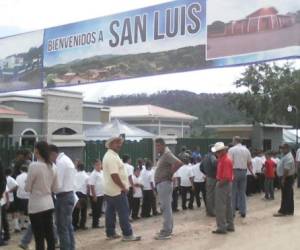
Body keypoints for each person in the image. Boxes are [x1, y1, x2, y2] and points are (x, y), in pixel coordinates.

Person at [102, 136, 141, 241]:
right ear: (110, 144)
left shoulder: (111, 155)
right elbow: (114, 175)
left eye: (120, 143)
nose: (119, 145)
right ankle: (127, 234)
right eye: (116, 143)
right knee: (124, 212)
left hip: (110, 190)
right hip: (117, 190)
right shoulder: (111, 157)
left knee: (110, 212)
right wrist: (123, 187)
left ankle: (110, 233)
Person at [25, 141, 59, 250]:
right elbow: (56, 188)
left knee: (39, 237)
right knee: (49, 235)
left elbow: (27, 188)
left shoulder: (34, 166)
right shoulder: (52, 166)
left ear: (36, 150)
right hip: (49, 203)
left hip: (36, 205)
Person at [154, 138, 183, 240]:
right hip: (162, 184)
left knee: (166, 208)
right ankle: (167, 229)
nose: (156, 148)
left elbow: (179, 163)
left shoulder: (166, 154)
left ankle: (166, 231)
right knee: (166, 208)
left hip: (164, 183)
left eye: (158, 146)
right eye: (156, 146)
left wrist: (170, 173)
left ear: (162, 145)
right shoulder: (163, 155)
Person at [49, 144, 76, 250]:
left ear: (53, 154)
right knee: (68, 226)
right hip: (68, 195)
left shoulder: (60, 163)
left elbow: (57, 184)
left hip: (63, 196)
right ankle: (71, 247)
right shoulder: (66, 159)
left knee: (62, 227)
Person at [211, 142, 234, 234]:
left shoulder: (225, 160)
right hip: (226, 184)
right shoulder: (223, 159)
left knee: (220, 207)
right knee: (228, 206)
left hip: (223, 184)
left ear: (222, 151)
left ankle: (222, 227)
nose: (216, 153)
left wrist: (219, 184)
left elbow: (226, 177)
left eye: (217, 152)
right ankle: (229, 225)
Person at [228, 136, 254, 218]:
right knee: (242, 192)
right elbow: (249, 163)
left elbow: (229, 162)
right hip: (243, 172)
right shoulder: (246, 150)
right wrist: (252, 172)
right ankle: (243, 211)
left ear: (235, 141)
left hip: (234, 171)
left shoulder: (231, 150)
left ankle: (232, 212)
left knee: (233, 192)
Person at [274, 144, 296, 217]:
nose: (281, 150)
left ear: (287, 148)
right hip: (287, 177)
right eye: (281, 148)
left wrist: (283, 179)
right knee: (288, 194)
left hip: (287, 178)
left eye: (283, 148)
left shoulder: (288, 157)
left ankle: (283, 211)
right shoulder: (286, 156)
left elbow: (286, 169)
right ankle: (289, 210)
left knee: (286, 195)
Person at [200, 146, 218, 217]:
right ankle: (212, 212)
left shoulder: (205, 157)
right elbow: (214, 163)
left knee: (208, 195)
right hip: (213, 177)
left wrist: (206, 173)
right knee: (213, 195)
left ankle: (208, 211)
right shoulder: (212, 156)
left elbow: (200, 167)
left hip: (208, 177)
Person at [73, 162, 89, 230]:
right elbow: (88, 187)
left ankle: (75, 225)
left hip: (76, 194)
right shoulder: (86, 176)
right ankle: (82, 225)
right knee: (83, 211)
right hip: (83, 194)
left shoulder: (75, 175)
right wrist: (88, 195)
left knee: (75, 211)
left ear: (78, 168)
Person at [88, 159, 105, 228]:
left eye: (100, 164)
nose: (99, 166)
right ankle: (95, 224)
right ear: (94, 166)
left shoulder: (102, 172)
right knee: (95, 210)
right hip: (95, 195)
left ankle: (97, 222)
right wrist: (94, 196)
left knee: (99, 210)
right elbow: (92, 185)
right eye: (97, 165)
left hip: (101, 194)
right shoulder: (93, 174)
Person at [16, 165, 30, 230]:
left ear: (21, 170)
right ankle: (24, 225)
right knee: (27, 211)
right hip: (28, 195)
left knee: (20, 211)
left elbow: (17, 185)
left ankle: (20, 225)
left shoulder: (18, 177)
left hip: (19, 196)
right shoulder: (29, 176)